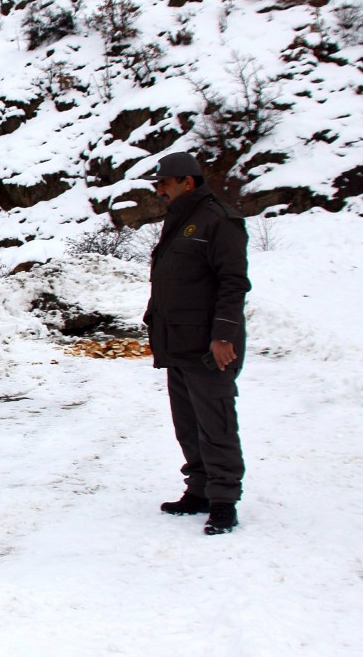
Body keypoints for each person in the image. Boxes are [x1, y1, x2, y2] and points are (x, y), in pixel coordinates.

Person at [141, 151, 250, 535]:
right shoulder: (182, 218)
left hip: (209, 348)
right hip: (179, 344)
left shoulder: (219, 220)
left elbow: (233, 282)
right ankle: (200, 490)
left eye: (164, 184)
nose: (160, 191)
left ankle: (223, 501)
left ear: (187, 182)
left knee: (216, 424)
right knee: (188, 426)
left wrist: (223, 336)